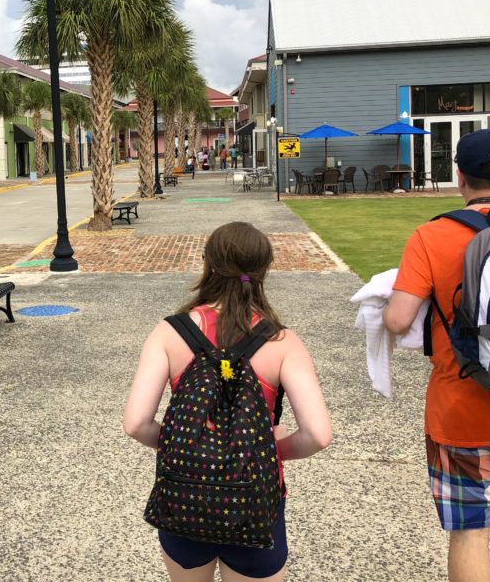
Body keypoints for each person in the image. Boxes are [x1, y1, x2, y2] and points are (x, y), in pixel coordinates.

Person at [384, 129, 490, 582]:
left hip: (461, 408)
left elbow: (398, 320)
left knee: (470, 532)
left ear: (459, 176)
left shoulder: (432, 235)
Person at [124, 222, 333, 582]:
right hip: (252, 499)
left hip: (186, 495)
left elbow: (136, 423)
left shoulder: (169, 332)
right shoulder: (282, 341)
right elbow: (317, 434)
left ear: (207, 264)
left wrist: (188, 447)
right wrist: (268, 448)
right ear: (264, 270)